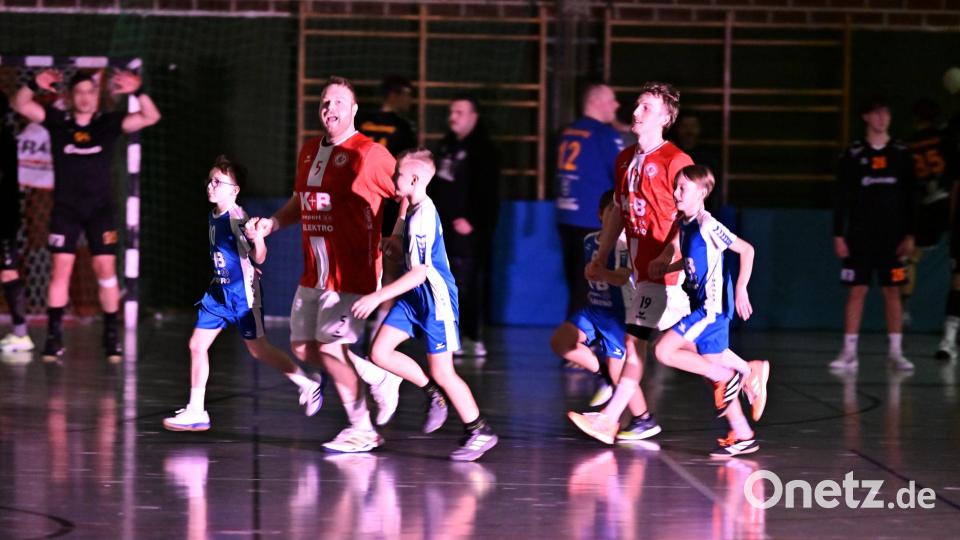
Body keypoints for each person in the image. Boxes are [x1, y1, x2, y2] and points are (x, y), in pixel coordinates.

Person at [567, 82, 762, 445]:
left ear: (665, 119)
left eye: (645, 107)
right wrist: (600, 255)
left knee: (636, 342)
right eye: (637, 105)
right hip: (644, 272)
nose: (636, 112)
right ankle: (741, 406)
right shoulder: (625, 160)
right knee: (696, 352)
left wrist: (667, 255)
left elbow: (683, 220)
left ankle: (612, 419)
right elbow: (618, 216)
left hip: (667, 277)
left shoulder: (676, 161)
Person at [255, 76, 403, 453]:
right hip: (314, 272)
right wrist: (273, 223)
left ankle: (362, 428)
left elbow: (407, 193)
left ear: (354, 110)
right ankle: (377, 375)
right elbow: (299, 203)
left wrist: (398, 234)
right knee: (305, 350)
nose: (329, 108)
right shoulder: (308, 151)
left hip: (351, 272)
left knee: (332, 350)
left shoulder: (369, 153)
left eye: (338, 102)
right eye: (324, 102)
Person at [352, 148, 499, 462]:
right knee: (379, 352)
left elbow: (419, 273)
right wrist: (393, 240)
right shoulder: (412, 203)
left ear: (415, 179)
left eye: (398, 175)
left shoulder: (425, 216)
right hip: (413, 299)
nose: (393, 179)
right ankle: (433, 395)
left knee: (444, 371)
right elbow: (403, 208)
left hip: (435, 300)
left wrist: (378, 295)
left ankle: (478, 429)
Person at [162, 156, 324, 431]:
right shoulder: (214, 214)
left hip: (242, 296)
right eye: (210, 180)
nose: (211, 186)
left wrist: (258, 239)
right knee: (196, 345)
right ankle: (196, 410)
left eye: (218, 182)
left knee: (259, 350)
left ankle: (307, 384)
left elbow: (259, 257)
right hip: (218, 293)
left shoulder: (238, 220)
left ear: (234, 190)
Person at [11, 68, 161, 361]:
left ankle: (111, 336)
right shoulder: (58, 122)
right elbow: (21, 104)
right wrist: (32, 84)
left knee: (105, 270)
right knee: (61, 271)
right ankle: (54, 338)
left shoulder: (109, 122)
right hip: (66, 209)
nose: (85, 98)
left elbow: (151, 117)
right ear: (70, 97)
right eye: (79, 92)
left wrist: (138, 91)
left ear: (97, 96)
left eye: (90, 92)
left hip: (99, 211)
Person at [651, 165, 763, 458]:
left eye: (683, 188)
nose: (676, 193)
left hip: (710, 309)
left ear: (702, 193)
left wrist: (741, 288)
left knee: (664, 352)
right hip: (701, 305)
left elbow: (747, 250)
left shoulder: (707, 224)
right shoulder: (685, 224)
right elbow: (694, 262)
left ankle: (731, 376)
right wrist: (669, 266)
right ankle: (743, 431)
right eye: (676, 187)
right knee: (710, 363)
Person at [830, 96, 915, 372]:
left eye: (886, 113)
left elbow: (911, 197)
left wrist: (910, 234)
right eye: (876, 113)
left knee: (893, 290)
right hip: (859, 236)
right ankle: (849, 353)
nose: (882, 118)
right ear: (866, 117)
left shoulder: (901, 153)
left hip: (893, 238)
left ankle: (896, 352)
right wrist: (839, 234)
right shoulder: (853, 154)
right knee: (857, 290)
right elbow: (841, 197)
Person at [550, 190, 636, 409]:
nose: (618, 216)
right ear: (600, 214)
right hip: (594, 309)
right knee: (560, 342)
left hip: (620, 316)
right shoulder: (589, 240)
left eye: (623, 212)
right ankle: (602, 373)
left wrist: (603, 274)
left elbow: (622, 276)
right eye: (612, 210)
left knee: (621, 377)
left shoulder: (624, 244)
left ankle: (640, 417)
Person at [430, 95, 500, 357]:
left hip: (468, 232)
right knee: (442, 281)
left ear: (474, 117)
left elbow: (489, 193)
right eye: (451, 111)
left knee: (467, 282)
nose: (453, 117)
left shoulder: (483, 150)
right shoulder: (446, 146)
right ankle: (447, 334)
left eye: (460, 112)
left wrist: (473, 221)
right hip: (443, 227)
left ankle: (471, 336)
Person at [358, 75, 418, 342]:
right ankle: (380, 324)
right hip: (387, 199)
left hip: (359, 200)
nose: (411, 99)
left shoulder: (361, 123)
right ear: (394, 94)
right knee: (390, 262)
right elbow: (408, 166)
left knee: (360, 263)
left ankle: (355, 324)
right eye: (407, 93)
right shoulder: (403, 127)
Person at [555, 83, 624, 316]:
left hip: (567, 217)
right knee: (593, 286)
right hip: (593, 221)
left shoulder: (569, 131)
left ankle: (575, 341)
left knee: (577, 284)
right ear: (595, 102)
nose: (617, 105)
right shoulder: (604, 135)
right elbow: (621, 176)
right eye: (612, 99)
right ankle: (577, 342)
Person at [902, 99, 953, 328]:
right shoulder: (945, 137)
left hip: (926, 204)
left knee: (911, 258)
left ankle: (903, 310)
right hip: (949, 200)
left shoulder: (908, 144)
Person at [0, 92, 33, 353]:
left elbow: (9, 186)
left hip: (4, 217)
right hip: (8, 216)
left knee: (8, 272)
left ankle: (21, 334)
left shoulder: (5, 140)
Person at [672, 111, 722, 212]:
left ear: (699, 129)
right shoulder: (670, 154)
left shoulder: (709, 157)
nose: (689, 130)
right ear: (678, 129)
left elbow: (714, 191)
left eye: (693, 126)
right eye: (684, 126)